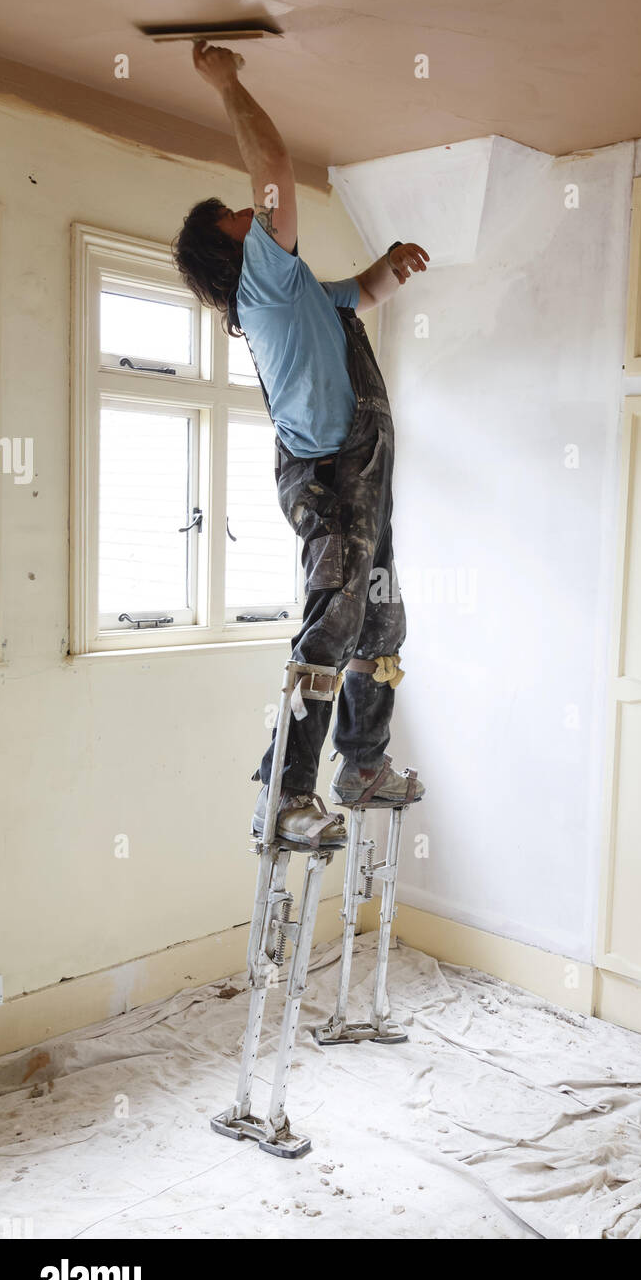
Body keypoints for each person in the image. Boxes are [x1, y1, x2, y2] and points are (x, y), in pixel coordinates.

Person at [172, 42, 428, 848]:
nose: (260, 218)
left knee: (379, 625)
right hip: (331, 476)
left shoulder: (298, 289)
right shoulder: (264, 279)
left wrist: (391, 264)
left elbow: (365, 292)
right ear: (234, 253)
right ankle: (282, 797)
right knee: (333, 625)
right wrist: (228, 82)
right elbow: (275, 164)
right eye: (243, 221)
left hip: (365, 481)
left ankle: (361, 763)